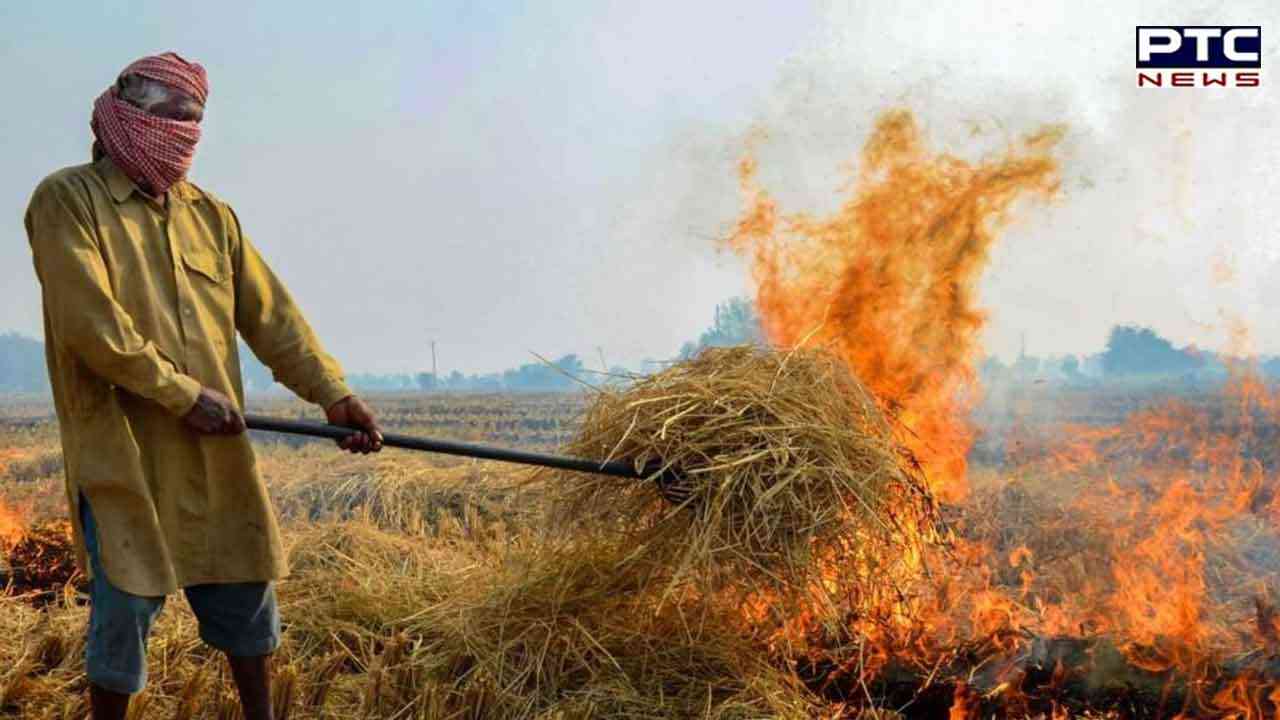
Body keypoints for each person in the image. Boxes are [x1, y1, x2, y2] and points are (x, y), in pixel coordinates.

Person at [23, 52, 383, 720]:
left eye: (194, 125)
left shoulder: (212, 217)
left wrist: (332, 394)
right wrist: (182, 394)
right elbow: (90, 325)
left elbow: (273, 319)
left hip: (216, 450)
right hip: (124, 452)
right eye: (171, 122)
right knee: (125, 606)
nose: (183, 139)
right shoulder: (67, 201)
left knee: (245, 593)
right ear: (124, 119)